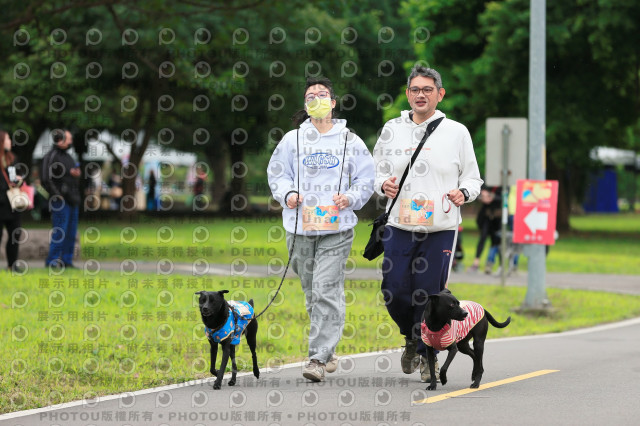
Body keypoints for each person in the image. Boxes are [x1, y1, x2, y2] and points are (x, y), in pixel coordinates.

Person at [372, 66, 483, 382]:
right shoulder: (392, 129)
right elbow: (376, 172)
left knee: (429, 294)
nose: (421, 95)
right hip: (399, 225)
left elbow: (473, 178)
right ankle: (411, 337)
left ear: (440, 94)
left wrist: (463, 192)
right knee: (394, 290)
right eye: (415, 90)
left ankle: (426, 354)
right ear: (408, 94)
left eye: (427, 90)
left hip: (440, 228)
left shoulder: (457, 132)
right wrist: (382, 184)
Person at [268, 77, 375, 382]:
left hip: (336, 228)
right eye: (310, 96)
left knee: (325, 288)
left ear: (333, 102)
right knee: (312, 293)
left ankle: (317, 358)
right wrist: (288, 194)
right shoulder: (293, 140)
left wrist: (350, 197)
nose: (317, 99)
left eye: (322, 94)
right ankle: (328, 347)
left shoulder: (350, 140)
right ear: (305, 106)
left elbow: (366, 178)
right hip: (299, 227)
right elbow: (278, 174)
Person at [41, 129, 81, 268]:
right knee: (60, 231)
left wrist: (76, 174)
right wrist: (56, 194)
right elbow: (46, 179)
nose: (70, 142)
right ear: (60, 140)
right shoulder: (51, 156)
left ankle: (66, 260)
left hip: (73, 199)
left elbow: (70, 176)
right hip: (60, 201)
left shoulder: (69, 157)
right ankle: (52, 261)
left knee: (71, 232)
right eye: (68, 139)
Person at [0, 130, 24, 272]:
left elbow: (18, 175)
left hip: (13, 203)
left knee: (15, 234)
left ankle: (12, 265)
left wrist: (19, 180)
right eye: (8, 139)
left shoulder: (13, 158)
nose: (10, 142)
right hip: (1, 203)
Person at [468, 185, 502, 273]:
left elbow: (503, 197)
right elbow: (476, 192)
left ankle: (498, 266)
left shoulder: (503, 184)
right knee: (482, 238)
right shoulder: (487, 183)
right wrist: (483, 196)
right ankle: (476, 264)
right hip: (486, 216)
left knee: (497, 241)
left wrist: (492, 196)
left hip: (497, 218)